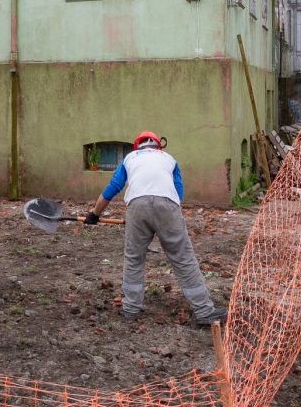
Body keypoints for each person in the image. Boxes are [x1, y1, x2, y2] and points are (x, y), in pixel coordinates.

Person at [83, 131, 227, 326]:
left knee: (134, 258)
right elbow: (178, 193)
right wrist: (164, 219)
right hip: (167, 206)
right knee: (183, 258)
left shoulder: (129, 158)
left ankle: (130, 308)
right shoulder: (169, 159)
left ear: (137, 146)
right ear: (158, 146)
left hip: (136, 207)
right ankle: (204, 311)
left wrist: (95, 214)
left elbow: (113, 188)